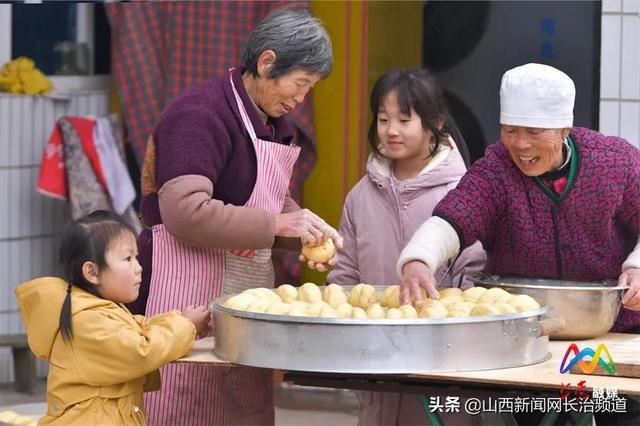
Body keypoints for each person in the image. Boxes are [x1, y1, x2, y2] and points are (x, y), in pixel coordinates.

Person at [397, 63, 640, 425]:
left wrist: (637, 266)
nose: (520, 144)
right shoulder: (497, 168)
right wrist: (418, 259)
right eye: (510, 130)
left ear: (564, 128)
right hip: (525, 344)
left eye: (534, 131)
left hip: (613, 335)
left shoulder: (613, 162)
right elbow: (457, 215)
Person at [134, 7, 341, 425]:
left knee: (240, 409)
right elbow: (185, 211)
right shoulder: (200, 114)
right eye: (299, 84)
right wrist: (278, 225)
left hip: (241, 300)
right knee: (178, 405)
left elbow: (267, 200)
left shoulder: (270, 120)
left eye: (309, 89)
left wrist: (302, 228)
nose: (300, 100)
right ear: (266, 63)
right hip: (181, 289)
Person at [327, 68, 485, 425]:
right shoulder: (360, 196)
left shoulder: (463, 194)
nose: (391, 130)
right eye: (383, 119)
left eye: (404, 119)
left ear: (434, 124)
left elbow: (474, 279)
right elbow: (344, 273)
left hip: (445, 366)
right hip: (375, 362)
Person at [14, 210, 210, 425]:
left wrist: (180, 319)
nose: (139, 268)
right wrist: (185, 325)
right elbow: (140, 351)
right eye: (128, 259)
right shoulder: (87, 320)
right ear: (92, 272)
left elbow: (137, 329)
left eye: (136, 257)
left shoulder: (99, 310)